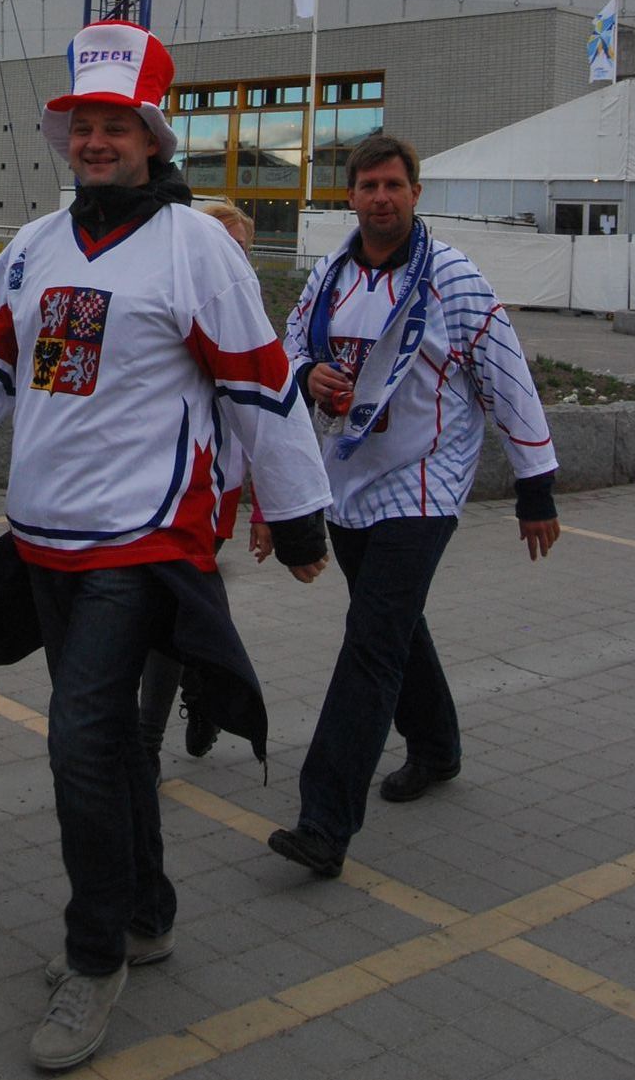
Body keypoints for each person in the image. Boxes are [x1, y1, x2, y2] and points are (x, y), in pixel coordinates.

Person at [0, 21, 332, 1073]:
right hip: (43, 541)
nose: (96, 140)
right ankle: (148, 910)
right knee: (112, 742)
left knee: (79, 740)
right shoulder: (32, 245)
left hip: (142, 539)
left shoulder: (196, 247)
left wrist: (299, 516)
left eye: (117, 124)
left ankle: (94, 956)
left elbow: (261, 381)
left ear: (154, 137)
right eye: (83, 123)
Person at [268, 131, 560, 881]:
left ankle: (323, 821)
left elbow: (505, 373)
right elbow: (288, 349)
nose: (380, 197)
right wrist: (309, 376)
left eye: (393, 184)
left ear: (414, 192)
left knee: (370, 639)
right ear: (350, 194)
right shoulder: (328, 276)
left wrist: (535, 485)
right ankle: (436, 746)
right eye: (367, 185)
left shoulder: (452, 279)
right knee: (390, 622)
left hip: (424, 481)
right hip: (347, 476)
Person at [137, 196, 271, 771]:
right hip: (154, 477)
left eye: (239, 249)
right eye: (219, 247)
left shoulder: (248, 309)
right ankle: (201, 681)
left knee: (171, 605)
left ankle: (146, 741)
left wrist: (270, 510)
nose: (229, 259)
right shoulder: (163, 300)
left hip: (218, 485)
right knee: (175, 603)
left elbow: (268, 416)